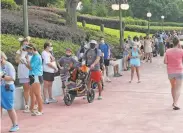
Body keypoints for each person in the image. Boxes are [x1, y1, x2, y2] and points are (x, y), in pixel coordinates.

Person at [1, 51, 20, 132]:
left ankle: (15, 125)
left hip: (8, 88)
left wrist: (2, 76)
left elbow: (12, 78)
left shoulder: (9, 65)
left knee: (9, 107)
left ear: (2, 57)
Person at [164, 37, 183, 110]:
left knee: (173, 87)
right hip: (179, 71)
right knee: (178, 88)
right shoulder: (181, 51)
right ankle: (176, 103)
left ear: (172, 42)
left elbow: (165, 62)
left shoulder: (167, 51)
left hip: (170, 72)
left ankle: (174, 102)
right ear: (178, 43)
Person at [24, 44, 43, 116]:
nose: (27, 51)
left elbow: (30, 67)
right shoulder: (34, 56)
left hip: (36, 76)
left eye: (28, 50)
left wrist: (26, 62)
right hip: (33, 75)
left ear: (32, 49)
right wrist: (26, 61)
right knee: (32, 94)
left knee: (37, 94)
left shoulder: (37, 57)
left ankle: (40, 110)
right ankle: (32, 109)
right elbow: (30, 67)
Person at [15, 37, 33, 113]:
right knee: (26, 89)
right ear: (22, 45)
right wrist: (21, 54)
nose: (25, 45)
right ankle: (27, 105)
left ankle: (34, 105)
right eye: (24, 44)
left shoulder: (32, 50)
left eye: (27, 44)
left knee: (33, 88)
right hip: (23, 72)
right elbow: (16, 61)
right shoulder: (19, 51)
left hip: (32, 71)